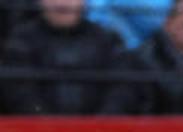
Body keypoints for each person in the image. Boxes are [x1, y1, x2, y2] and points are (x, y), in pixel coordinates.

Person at [0, 0, 134, 114]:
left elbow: (122, 92)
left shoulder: (108, 41)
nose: (63, 3)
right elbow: (18, 93)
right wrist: (48, 129)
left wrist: (98, 127)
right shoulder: (21, 41)